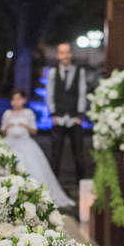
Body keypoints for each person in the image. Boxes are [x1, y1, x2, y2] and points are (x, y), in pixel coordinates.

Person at [2, 89, 74, 207]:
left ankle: (34, 196)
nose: (16, 102)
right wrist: (7, 127)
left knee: (32, 170)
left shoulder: (28, 113)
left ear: (23, 100)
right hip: (10, 145)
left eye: (18, 99)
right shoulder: (7, 114)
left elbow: (34, 130)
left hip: (25, 145)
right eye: (13, 99)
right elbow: (2, 131)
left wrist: (25, 126)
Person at [48, 42, 88, 185]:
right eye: (62, 53)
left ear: (70, 54)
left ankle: (81, 186)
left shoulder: (79, 72)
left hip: (74, 118)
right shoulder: (53, 72)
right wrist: (53, 114)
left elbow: (82, 93)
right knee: (55, 155)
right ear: (58, 55)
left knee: (79, 155)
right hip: (59, 118)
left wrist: (79, 115)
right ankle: (53, 186)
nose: (65, 56)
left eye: (67, 52)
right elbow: (50, 93)